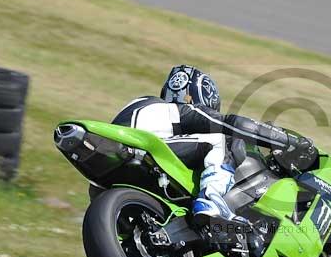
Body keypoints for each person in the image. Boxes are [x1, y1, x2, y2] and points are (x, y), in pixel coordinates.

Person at [112, 65, 317, 226]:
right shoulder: (181, 111)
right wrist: (286, 140)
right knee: (219, 139)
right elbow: (231, 124)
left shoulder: (148, 107)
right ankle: (211, 200)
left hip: (114, 169)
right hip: (139, 149)